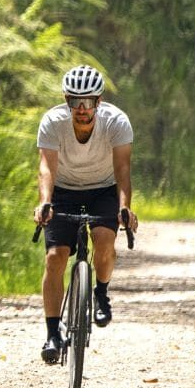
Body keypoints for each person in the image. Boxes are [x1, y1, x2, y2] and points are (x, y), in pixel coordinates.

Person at [34, 64, 137, 364]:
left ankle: (101, 293)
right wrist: (45, 203)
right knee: (55, 257)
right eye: (75, 102)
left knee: (105, 240)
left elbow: (122, 170)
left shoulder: (117, 122)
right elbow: (46, 168)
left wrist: (124, 208)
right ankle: (53, 333)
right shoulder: (52, 122)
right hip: (64, 190)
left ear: (98, 101)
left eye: (88, 101)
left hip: (102, 190)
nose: (82, 109)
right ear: (66, 101)